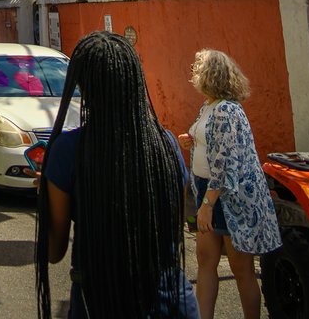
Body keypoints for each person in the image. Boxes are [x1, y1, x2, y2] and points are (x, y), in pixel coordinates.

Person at [36, 31, 199, 319]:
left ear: (84, 88)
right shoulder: (166, 144)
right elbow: (176, 222)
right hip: (169, 299)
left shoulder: (67, 151)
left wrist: (45, 198)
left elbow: (54, 251)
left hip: (99, 300)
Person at [180, 49, 280, 319]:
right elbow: (212, 142)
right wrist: (193, 139)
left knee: (241, 268)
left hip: (227, 198)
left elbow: (225, 164)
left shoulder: (225, 110)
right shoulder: (209, 105)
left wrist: (208, 204)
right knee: (205, 262)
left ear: (210, 75)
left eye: (198, 69)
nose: (194, 74)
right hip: (208, 192)